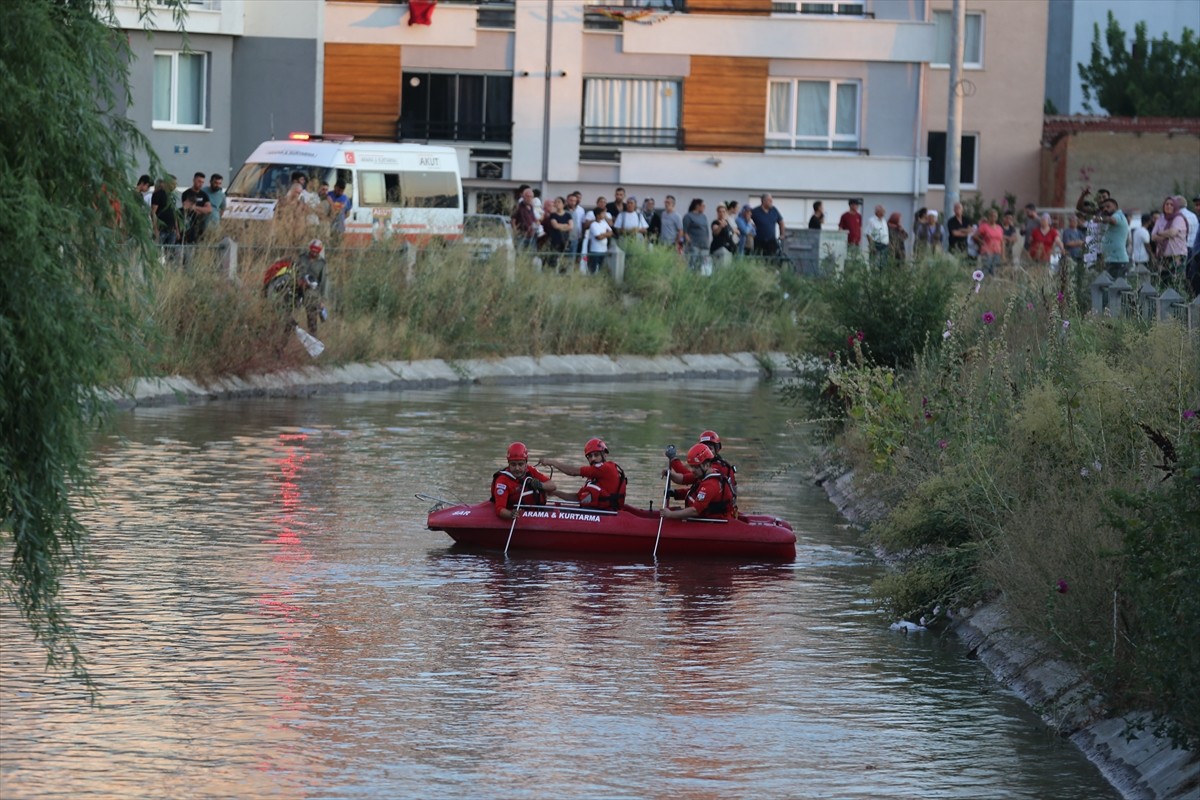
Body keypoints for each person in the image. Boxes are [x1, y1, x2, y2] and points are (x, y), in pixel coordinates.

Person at [539, 438, 628, 510]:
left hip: (607, 514)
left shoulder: (605, 468)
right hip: (596, 512)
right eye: (590, 456)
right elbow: (577, 498)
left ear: (604, 455)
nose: (593, 459)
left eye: (596, 455)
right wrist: (555, 493)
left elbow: (572, 472)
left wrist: (552, 462)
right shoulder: (595, 475)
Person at [660, 443, 737, 521]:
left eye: (695, 467)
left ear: (706, 465)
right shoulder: (704, 474)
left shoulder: (710, 485)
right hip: (705, 519)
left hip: (713, 522)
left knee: (672, 516)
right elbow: (683, 479)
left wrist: (670, 514)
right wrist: (670, 477)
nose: (692, 470)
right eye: (691, 466)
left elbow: (695, 511)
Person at [491, 442, 557, 520]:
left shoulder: (531, 471)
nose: (517, 468)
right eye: (513, 464)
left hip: (536, 512)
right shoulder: (503, 481)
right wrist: (511, 514)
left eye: (520, 464)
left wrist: (540, 485)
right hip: (515, 512)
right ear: (508, 464)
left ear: (526, 463)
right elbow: (500, 509)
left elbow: (553, 486)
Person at [666, 430, 737, 489]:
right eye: (704, 448)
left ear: (717, 449)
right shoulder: (707, 465)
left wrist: (673, 460)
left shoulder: (717, 468)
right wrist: (676, 494)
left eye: (710, 448)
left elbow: (687, 478)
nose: (707, 451)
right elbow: (692, 475)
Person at [1151, 196, 1189, 281]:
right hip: (1163, 256)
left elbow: (1172, 232)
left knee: (1176, 281)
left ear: (1175, 206)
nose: (1168, 206)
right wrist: (1166, 234)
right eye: (1167, 204)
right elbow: (1153, 237)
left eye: (1171, 204)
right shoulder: (1161, 219)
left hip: (1177, 255)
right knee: (1164, 281)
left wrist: (1159, 233)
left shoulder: (1179, 218)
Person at [294, 238, 328, 334]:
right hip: (297, 290)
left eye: (316, 252)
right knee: (291, 314)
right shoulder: (302, 258)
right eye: (312, 251)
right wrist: (298, 281)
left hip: (312, 294)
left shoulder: (322, 264)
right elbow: (295, 270)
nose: (314, 253)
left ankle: (313, 338)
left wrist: (322, 300)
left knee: (312, 320)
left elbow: (324, 282)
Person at [1097, 197, 1130, 278]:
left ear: (1115, 207)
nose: (1105, 209)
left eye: (1108, 206)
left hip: (1117, 261)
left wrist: (1100, 218)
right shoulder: (1112, 217)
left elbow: (1112, 220)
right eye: (1103, 208)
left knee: (1117, 285)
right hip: (1111, 260)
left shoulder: (1118, 215)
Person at [543, 196, 573, 271]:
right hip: (555, 240)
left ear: (563, 204)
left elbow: (571, 226)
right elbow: (555, 226)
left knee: (564, 261)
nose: (557, 203)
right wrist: (565, 225)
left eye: (559, 202)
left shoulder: (568, 215)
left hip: (565, 240)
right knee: (553, 260)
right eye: (555, 202)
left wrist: (561, 227)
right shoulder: (553, 215)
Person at [682, 198, 710, 272]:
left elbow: (706, 230)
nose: (704, 207)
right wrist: (689, 243)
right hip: (694, 245)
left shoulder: (703, 216)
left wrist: (707, 242)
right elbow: (685, 232)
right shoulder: (688, 216)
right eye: (703, 206)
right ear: (697, 206)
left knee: (702, 266)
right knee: (692, 265)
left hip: (704, 246)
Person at [973, 209, 1003, 275]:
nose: (993, 218)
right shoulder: (984, 226)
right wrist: (981, 241)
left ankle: (992, 281)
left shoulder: (999, 228)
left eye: (995, 216)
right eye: (992, 216)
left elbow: (1002, 241)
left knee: (994, 271)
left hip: (997, 252)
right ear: (989, 216)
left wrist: (1003, 254)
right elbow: (975, 236)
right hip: (987, 252)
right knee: (985, 269)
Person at [585, 206, 613, 274]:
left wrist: (603, 234)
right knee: (592, 269)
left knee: (601, 268)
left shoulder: (604, 223)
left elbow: (611, 232)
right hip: (595, 250)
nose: (604, 215)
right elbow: (598, 237)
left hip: (604, 250)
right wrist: (606, 234)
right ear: (598, 215)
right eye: (602, 213)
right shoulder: (593, 225)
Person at [511, 186, 538, 251]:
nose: (529, 198)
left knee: (531, 253)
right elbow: (513, 220)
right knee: (520, 253)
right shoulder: (518, 206)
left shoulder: (531, 207)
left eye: (531, 197)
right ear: (523, 197)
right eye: (527, 196)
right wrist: (515, 231)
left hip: (531, 235)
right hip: (521, 234)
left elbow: (533, 219)